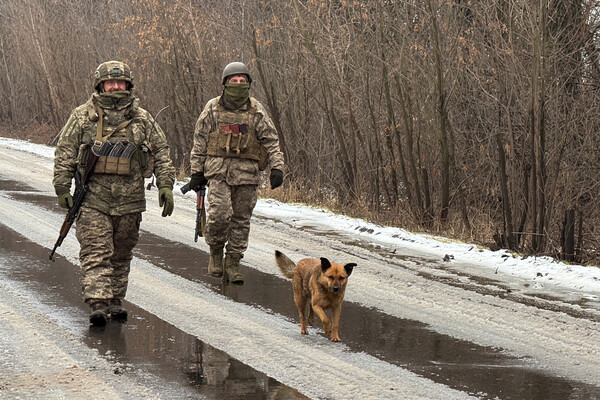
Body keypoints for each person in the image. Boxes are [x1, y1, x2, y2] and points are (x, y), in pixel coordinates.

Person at [53, 61, 176, 326]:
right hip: (93, 198)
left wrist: (166, 185)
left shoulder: (142, 119)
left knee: (121, 253)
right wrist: (62, 186)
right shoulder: (82, 116)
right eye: (111, 83)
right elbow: (65, 152)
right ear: (101, 85)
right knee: (96, 251)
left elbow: (162, 153)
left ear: (128, 85)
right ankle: (98, 303)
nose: (116, 87)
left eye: (121, 83)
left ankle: (115, 299)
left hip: (130, 201)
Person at [189, 61, 284, 284]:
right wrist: (196, 171)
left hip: (247, 176)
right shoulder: (213, 108)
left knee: (241, 220)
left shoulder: (256, 110)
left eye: (243, 81)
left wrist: (277, 167)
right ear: (225, 83)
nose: (239, 84)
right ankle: (215, 252)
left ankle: (233, 262)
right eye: (234, 80)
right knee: (219, 215)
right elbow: (200, 141)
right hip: (218, 173)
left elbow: (271, 140)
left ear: (248, 84)